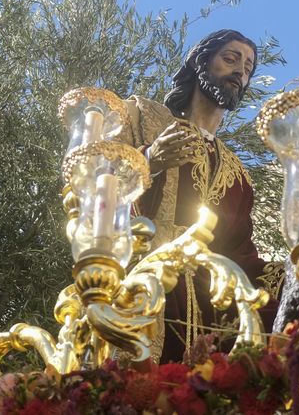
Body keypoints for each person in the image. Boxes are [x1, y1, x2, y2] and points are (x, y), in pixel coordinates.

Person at [120, 29, 273, 361]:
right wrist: (149, 161)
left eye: (247, 68)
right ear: (200, 63)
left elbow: (241, 252)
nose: (239, 72)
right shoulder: (145, 117)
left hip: (209, 314)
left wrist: (288, 274)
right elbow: (97, 185)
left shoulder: (239, 175)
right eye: (230, 59)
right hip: (148, 286)